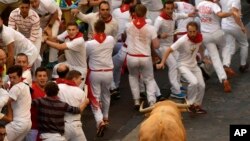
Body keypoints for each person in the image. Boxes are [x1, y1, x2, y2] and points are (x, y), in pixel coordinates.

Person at [157, 21, 207, 114]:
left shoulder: (200, 38)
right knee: (194, 82)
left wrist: (204, 58)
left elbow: (200, 47)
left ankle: (197, 105)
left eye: (194, 31)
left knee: (202, 85)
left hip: (194, 65)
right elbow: (168, 50)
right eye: (190, 31)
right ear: (187, 31)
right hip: (183, 65)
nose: (192, 34)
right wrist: (162, 62)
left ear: (197, 31)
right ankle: (190, 103)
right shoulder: (183, 40)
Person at [154, 0, 194, 99]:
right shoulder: (159, 20)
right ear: (164, 8)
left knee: (180, 62)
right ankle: (175, 91)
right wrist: (160, 35)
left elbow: (180, 15)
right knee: (173, 65)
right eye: (168, 9)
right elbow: (153, 34)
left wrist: (189, 14)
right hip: (162, 47)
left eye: (171, 8)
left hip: (170, 46)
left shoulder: (173, 15)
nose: (170, 10)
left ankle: (177, 86)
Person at [125, 4, 160, 107]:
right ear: (145, 13)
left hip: (131, 56)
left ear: (135, 13)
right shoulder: (151, 28)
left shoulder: (128, 25)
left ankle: (136, 100)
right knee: (149, 79)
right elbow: (156, 46)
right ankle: (152, 101)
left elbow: (125, 37)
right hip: (145, 57)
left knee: (133, 77)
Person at [85, 19, 115, 137]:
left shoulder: (89, 44)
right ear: (104, 28)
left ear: (94, 30)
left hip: (95, 73)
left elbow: (86, 56)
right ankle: (106, 117)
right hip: (108, 72)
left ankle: (99, 120)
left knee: (95, 98)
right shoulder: (110, 39)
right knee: (106, 94)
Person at [197, 0, 232, 92]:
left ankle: (223, 79)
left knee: (215, 58)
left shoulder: (200, 4)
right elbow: (220, 15)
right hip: (217, 32)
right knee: (226, 46)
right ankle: (226, 64)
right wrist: (230, 13)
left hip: (205, 35)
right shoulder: (214, 5)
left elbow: (196, 13)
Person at [30, 0, 62, 69]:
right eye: (31, 2)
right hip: (41, 17)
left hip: (54, 14)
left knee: (52, 35)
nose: (34, 4)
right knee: (40, 37)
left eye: (35, 1)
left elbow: (55, 13)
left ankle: (53, 61)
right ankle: (39, 59)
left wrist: (49, 27)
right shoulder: (27, 6)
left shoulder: (47, 3)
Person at [219, 0, 249, 73]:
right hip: (234, 25)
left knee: (229, 46)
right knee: (244, 43)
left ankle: (226, 64)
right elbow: (234, 13)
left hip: (224, 25)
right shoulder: (236, 0)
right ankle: (243, 65)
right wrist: (242, 26)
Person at [57, 70, 88, 141]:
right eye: (81, 79)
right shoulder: (81, 92)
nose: (81, 81)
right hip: (75, 124)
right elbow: (80, 110)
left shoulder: (58, 87)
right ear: (74, 79)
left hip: (61, 124)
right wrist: (85, 103)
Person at [5, 65, 32, 141]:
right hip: (27, 124)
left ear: (20, 76)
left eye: (14, 77)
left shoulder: (16, 87)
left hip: (18, 124)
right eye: (10, 77)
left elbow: (4, 102)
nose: (12, 80)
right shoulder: (26, 84)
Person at [25, 67, 48, 141]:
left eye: (44, 76)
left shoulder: (50, 90)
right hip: (33, 127)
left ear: (47, 77)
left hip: (46, 128)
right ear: (35, 77)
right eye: (40, 76)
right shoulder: (31, 90)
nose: (42, 78)